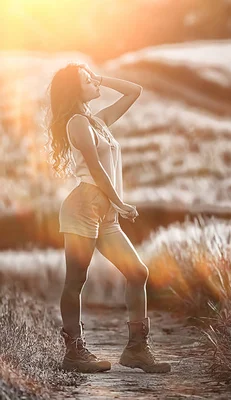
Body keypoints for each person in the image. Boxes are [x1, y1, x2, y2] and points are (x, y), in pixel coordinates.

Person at [45, 62, 171, 373]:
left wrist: (98, 78)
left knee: (137, 273)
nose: (94, 82)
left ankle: (136, 350)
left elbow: (134, 91)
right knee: (76, 280)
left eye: (92, 77)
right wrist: (120, 201)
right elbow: (97, 170)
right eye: (86, 80)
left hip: (106, 216)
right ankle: (74, 352)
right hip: (83, 210)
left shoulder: (98, 121)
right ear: (75, 90)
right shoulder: (77, 123)